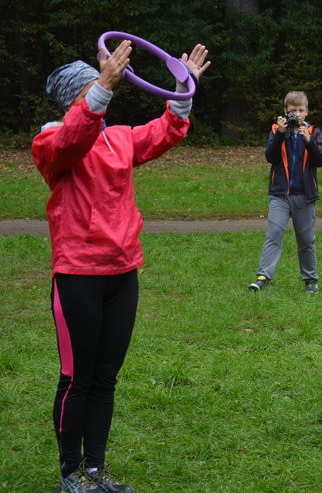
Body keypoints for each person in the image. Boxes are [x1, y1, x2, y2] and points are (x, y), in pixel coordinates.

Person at [32, 41, 210, 493]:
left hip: (122, 273)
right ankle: (70, 474)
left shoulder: (118, 138)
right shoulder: (51, 142)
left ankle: (95, 470)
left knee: (105, 378)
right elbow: (74, 138)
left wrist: (182, 87)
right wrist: (102, 88)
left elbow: (167, 130)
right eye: (96, 85)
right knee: (77, 378)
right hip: (77, 276)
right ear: (79, 96)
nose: (105, 89)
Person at [248, 91, 322, 293]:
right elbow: (270, 157)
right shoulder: (277, 130)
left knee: (306, 239)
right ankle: (263, 276)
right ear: (285, 111)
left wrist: (308, 141)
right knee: (273, 234)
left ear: (307, 111)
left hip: (305, 195)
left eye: (301, 110)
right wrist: (281, 134)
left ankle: (310, 279)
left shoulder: (314, 131)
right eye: (293, 111)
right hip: (280, 194)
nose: (297, 115)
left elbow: (321, 161)